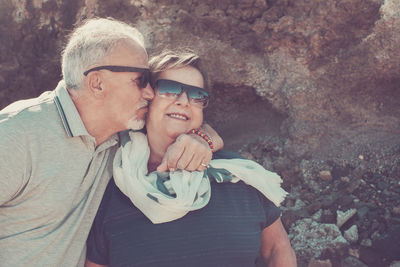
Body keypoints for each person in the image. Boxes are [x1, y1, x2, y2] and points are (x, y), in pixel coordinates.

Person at [0, 18, 222, 266]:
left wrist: (201, 138)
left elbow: (178, 123)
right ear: (97, 83)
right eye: (140, 80)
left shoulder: (122, 142)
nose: (149, 92)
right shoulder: (17, 134)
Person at [85, 50, 297, 267]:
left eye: (197, 96)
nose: (184, 101)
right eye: (169, 89)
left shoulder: (239, 176)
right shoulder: (113, 186)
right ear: (147, 99)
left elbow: (276, 250)